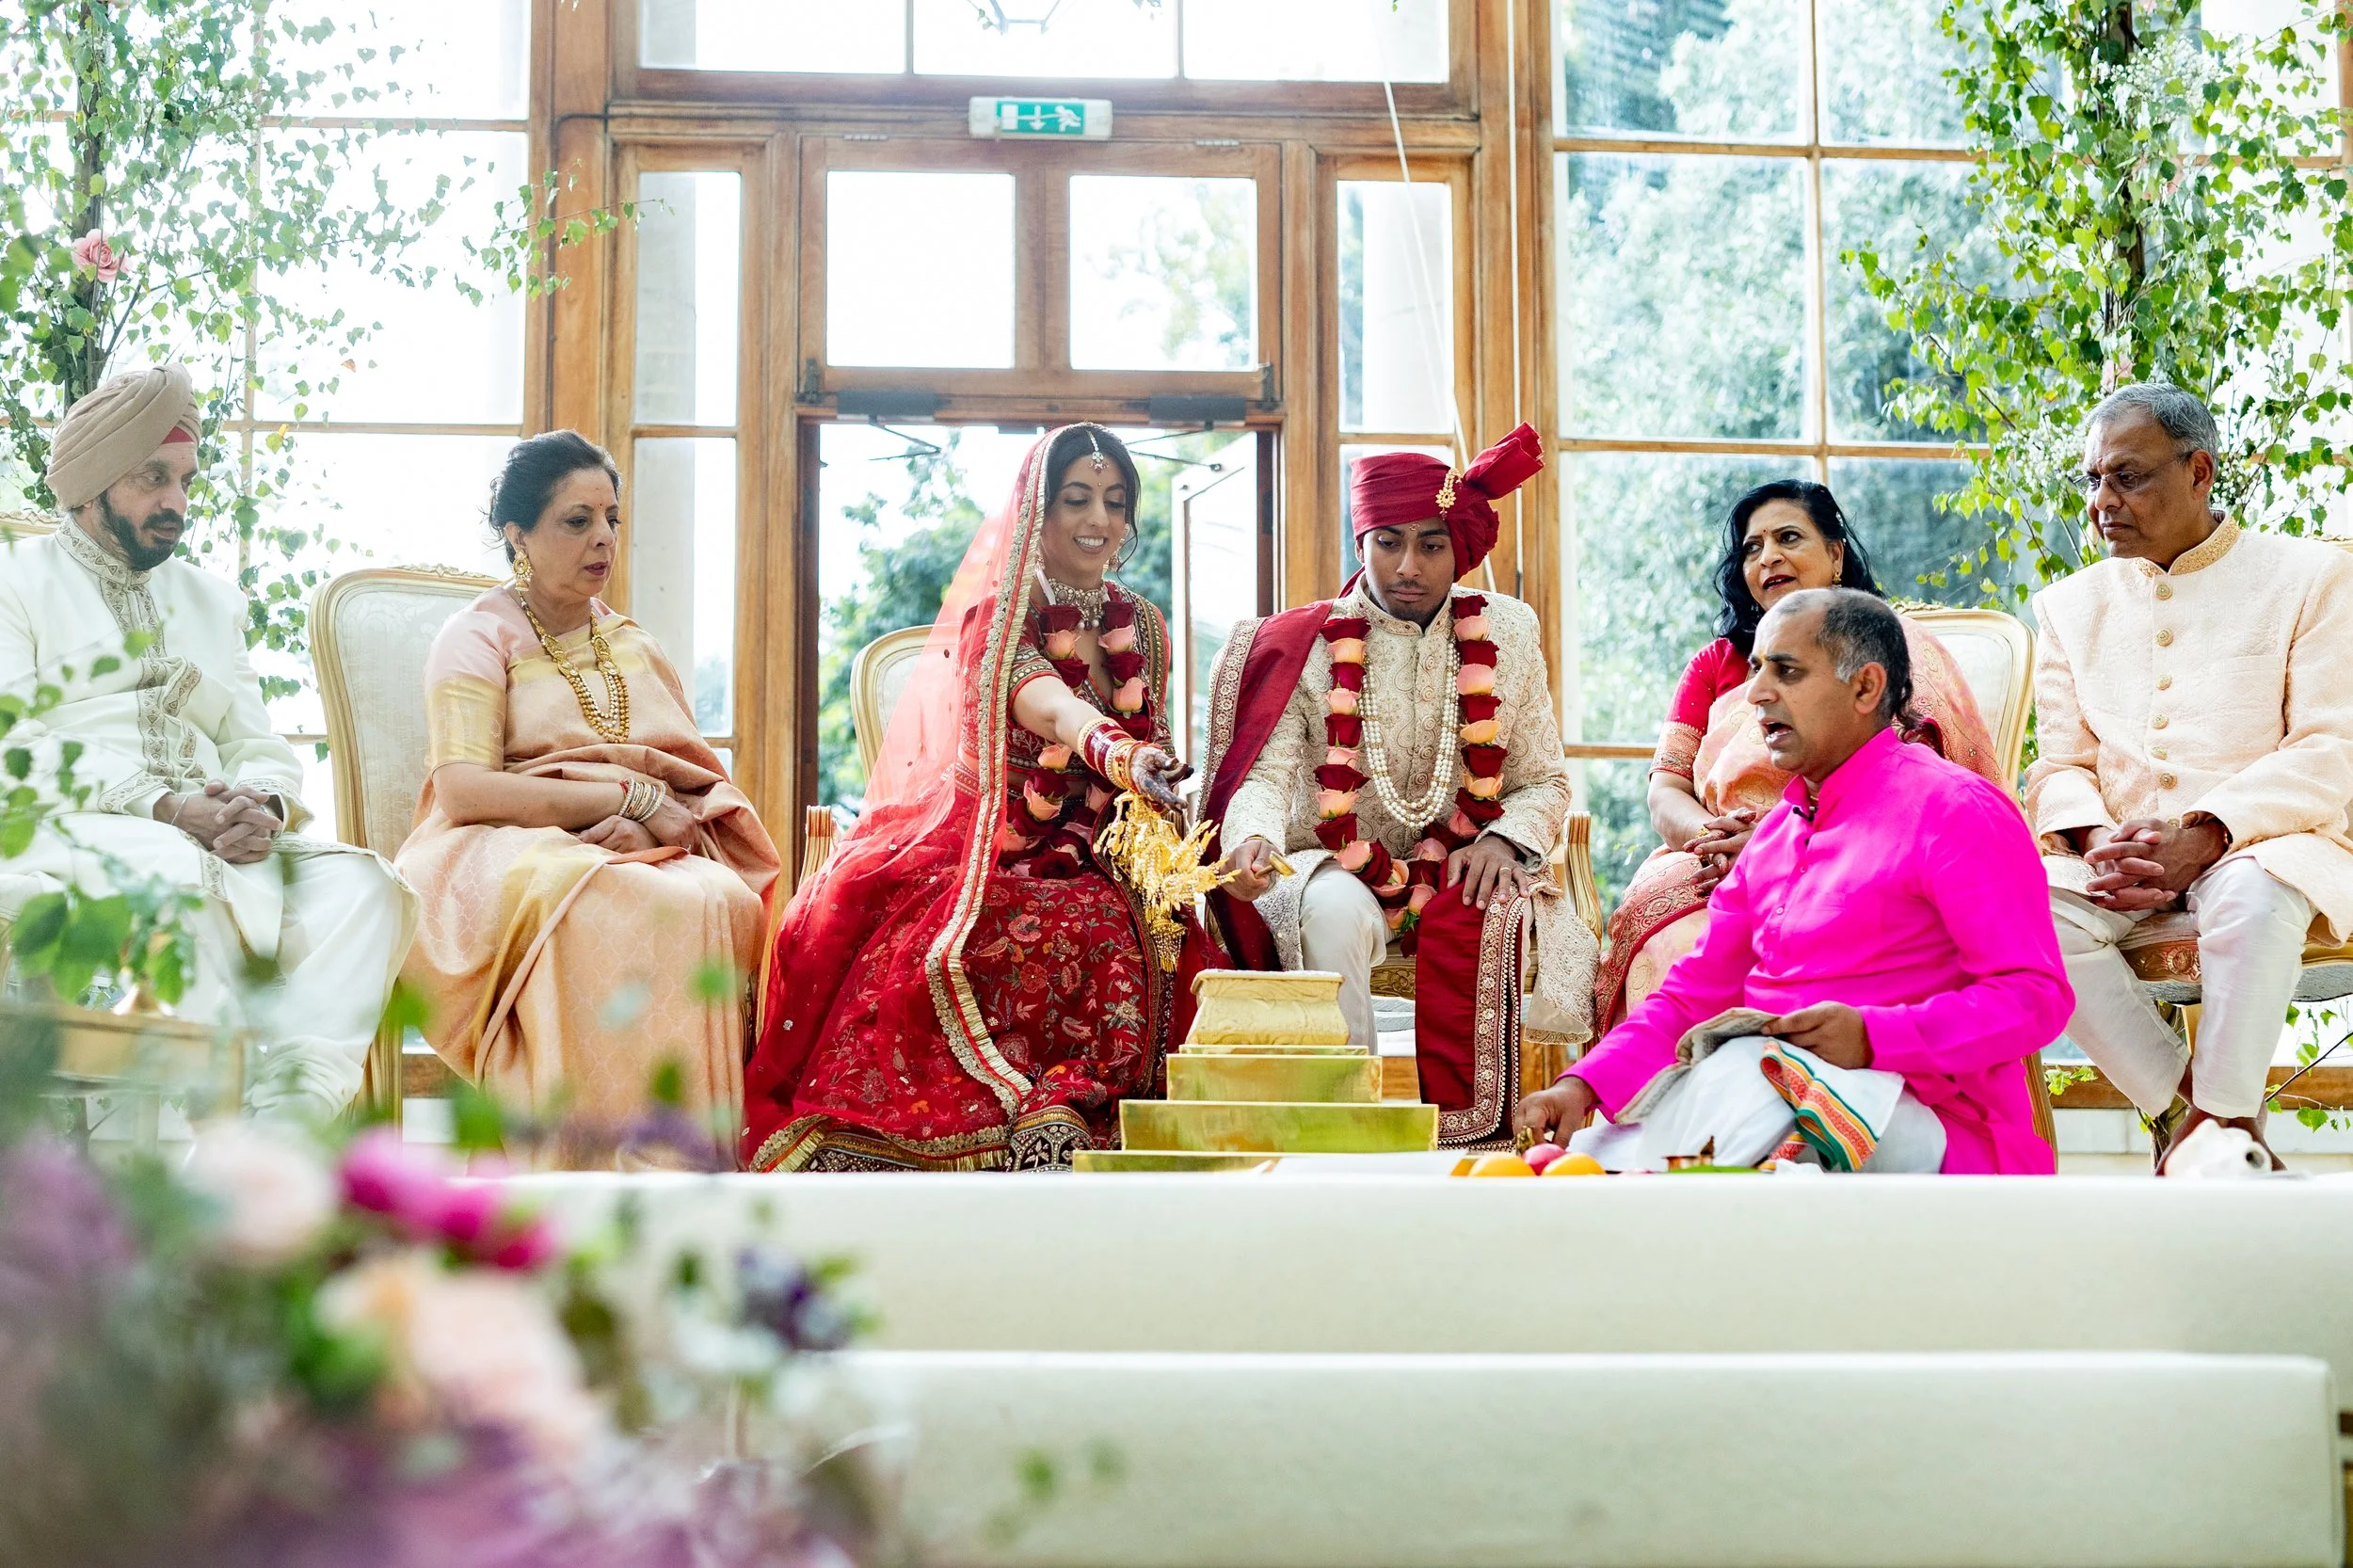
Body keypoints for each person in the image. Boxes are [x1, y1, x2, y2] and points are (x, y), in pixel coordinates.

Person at [742, 425, 1197, 1173]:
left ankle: (1093, 1113)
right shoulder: (1002, 615)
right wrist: (1123, 753)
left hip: (1103, 839)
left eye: (1115, 503)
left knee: (1149, 929)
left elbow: (1151, 722)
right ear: (1036, 512)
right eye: (1076, 499)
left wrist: (1158, 792)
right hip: (993, 834)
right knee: (1033, 928)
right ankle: (1022, 1116)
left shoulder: (1141, 624)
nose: (1099, 520)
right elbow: (1050, 705)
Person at [1515, 590, 2071, 1174]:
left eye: (1787, 671)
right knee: (1617, 1146)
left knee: (1750, 1078)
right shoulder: (1778, 832)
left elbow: (2035, 998)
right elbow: (1692, 995)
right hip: (1773, 1097)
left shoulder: (1955, 809)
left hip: (1938, 1124)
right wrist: (1582, 1087)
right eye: (1757, 669)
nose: (1756, 693)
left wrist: (1876, 1037)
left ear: (1864, 688)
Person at [0, 363, 417, 1121]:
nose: (176, 503)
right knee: (183, 875)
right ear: (90, 486)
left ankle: (289, 1118)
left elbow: (256, 742)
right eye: (152, 478)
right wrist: (165, 805)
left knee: (369, 889)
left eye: (185, 480)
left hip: (217, 833)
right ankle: (213, 1149)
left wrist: (261, 805)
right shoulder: (16, 579)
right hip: (76, 824)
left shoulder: (211, 600)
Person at [1204, 426, 1595, 1148]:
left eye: (1431, 544)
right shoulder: (1308, 644)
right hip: (1321, 858)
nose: (1409, 565)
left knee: (1488, 911)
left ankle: (1480, 1137)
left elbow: (1542, 777)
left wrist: (1507, 837)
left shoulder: (1506, 631)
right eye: (1388, 541)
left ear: (1459, 550)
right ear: (1360, 544)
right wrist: (1250, 836)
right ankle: (1343, 1129)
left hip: (1460, 861)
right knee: (1332, 911)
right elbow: (1266, 771)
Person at [396, 431, 778, 1163]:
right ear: (519, 533)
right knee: (624, 901)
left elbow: (686, 780)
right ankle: (586, 1160)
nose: (603, 538)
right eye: (578, 521)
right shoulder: (478, 636)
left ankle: (688, 1159)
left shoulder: (632, 642)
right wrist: (626, 800)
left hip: (640, 842)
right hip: (501, 839)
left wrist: (657, 827)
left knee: (719, 898)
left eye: (611, 519)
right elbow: (465, 788)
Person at [2031, 383, 2353, 1174]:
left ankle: (2224, 1118)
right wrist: (2104, 840)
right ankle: (2192, 1119)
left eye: (2128, 477)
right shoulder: (2069, 607)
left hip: (2269, 843)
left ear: (2200, 471)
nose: (2103, 501)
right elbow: (2058, 765)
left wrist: (2203, 836)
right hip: (2116, 857)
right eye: (2093, 481)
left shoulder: (2312, 577)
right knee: (2023, 909)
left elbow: (2329, 749)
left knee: (2250, 892)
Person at [1593, 481, 2005, 1031]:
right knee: (1680, 949)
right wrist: (1717, 839)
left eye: (1789, 538)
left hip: (1852, 859)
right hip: (1709, 860)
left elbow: (1911, 782)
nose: (1769, 557)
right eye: (1751, 547)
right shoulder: (1717, 664)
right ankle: (1686, 1109)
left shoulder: (1886, 650)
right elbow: (1665, 789)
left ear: (1835, 554)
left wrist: (1774, 845)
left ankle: (1807, 1108)